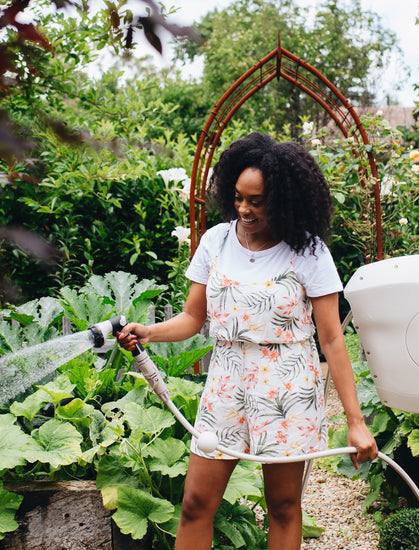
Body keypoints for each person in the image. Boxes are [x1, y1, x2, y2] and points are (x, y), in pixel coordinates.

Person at [117, 131, 378, 550]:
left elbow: (331, 339)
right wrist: (150, 332)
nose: (244, 208)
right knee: (196, 503)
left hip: (288, 385)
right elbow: (191, 318)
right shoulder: (216, 241)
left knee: (283, 507)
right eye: (238, 197)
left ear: (283, 198)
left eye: (257, 201)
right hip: (226, 380)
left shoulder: (308, 252)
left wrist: (356, 422)